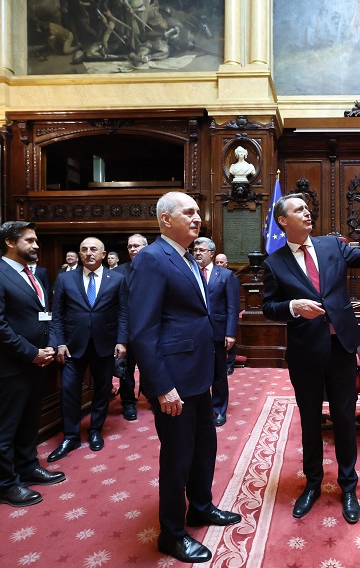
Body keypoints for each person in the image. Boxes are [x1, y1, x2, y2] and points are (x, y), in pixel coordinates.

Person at [262, 193, 360, 524]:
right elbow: (268, 308)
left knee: (344, 418)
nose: (307, 213)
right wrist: (292, 307)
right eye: (299, 210)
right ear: (283, 221)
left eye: (308, 208)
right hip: (305, 353)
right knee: (310, 421)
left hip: (341, 349)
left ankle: (348, 487)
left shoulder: (332, 245)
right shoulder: (274, 263)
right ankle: (313, 484)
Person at [129, 192, 241, 563]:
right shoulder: (151, 258)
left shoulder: (187, 257)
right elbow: (143, 330)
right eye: (188, 212)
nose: (197, 218)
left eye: (197, 212)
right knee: (177, 458)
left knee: (204, 448)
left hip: (197, 375)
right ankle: (172, 534)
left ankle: (201, 508)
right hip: (173, 380)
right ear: (165, 219)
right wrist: (162, 387)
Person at [0, 221, 65, 507]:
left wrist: (48, 346)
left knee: (29, 422)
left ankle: (27, 467)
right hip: (10, 366)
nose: (36, 245)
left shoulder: (33, 275)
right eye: (30, 240)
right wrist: (31, 352)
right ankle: (6, 484)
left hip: (36, 362)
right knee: (5, 428)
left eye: (36, 240)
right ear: (10, 242)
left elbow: (43, 314)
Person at [47, 237, 128, 462]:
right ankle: (71, 436)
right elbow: (57, 314)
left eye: (93, 249)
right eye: (84, 249)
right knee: (69, 390)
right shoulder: (65, 279)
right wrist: (59, 342)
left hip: (105, 344)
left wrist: (122, 340)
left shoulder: (117, 279)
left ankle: (95, 430)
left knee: (102, 390)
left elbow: (123, 312)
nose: (88, 253)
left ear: (103, 254)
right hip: (72, 346)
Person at [193, 238, 239, 427]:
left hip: (217, 331)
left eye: (201, 250)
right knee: (195, 371)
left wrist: (230, 333)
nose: (197, 253)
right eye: (195, 250)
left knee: (219, 373)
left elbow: (232, 307)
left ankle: (219, 409)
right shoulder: (189, 272)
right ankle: (200, 408)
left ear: (211, 253)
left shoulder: (226, 275)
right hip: (194, 332)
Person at [113, 233, 147, 420]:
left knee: (150, 366)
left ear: (145, 247)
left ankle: (151, 396)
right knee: (126, 369)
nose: (133, 249)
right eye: (130, 246)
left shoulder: (155, 268)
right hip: (126, 329)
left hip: (149, 329)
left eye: (137, 246)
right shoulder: (118, 272)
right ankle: (128, 402)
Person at [215, 253, 239, 375]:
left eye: (221, 262)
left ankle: (230, 364)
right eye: (217, 262)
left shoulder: (232, 277)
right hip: (217, 315)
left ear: (226, 264)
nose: (219, 264)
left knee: (230, 342)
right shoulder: (212, 276)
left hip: (228, 314)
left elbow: (234, 299)